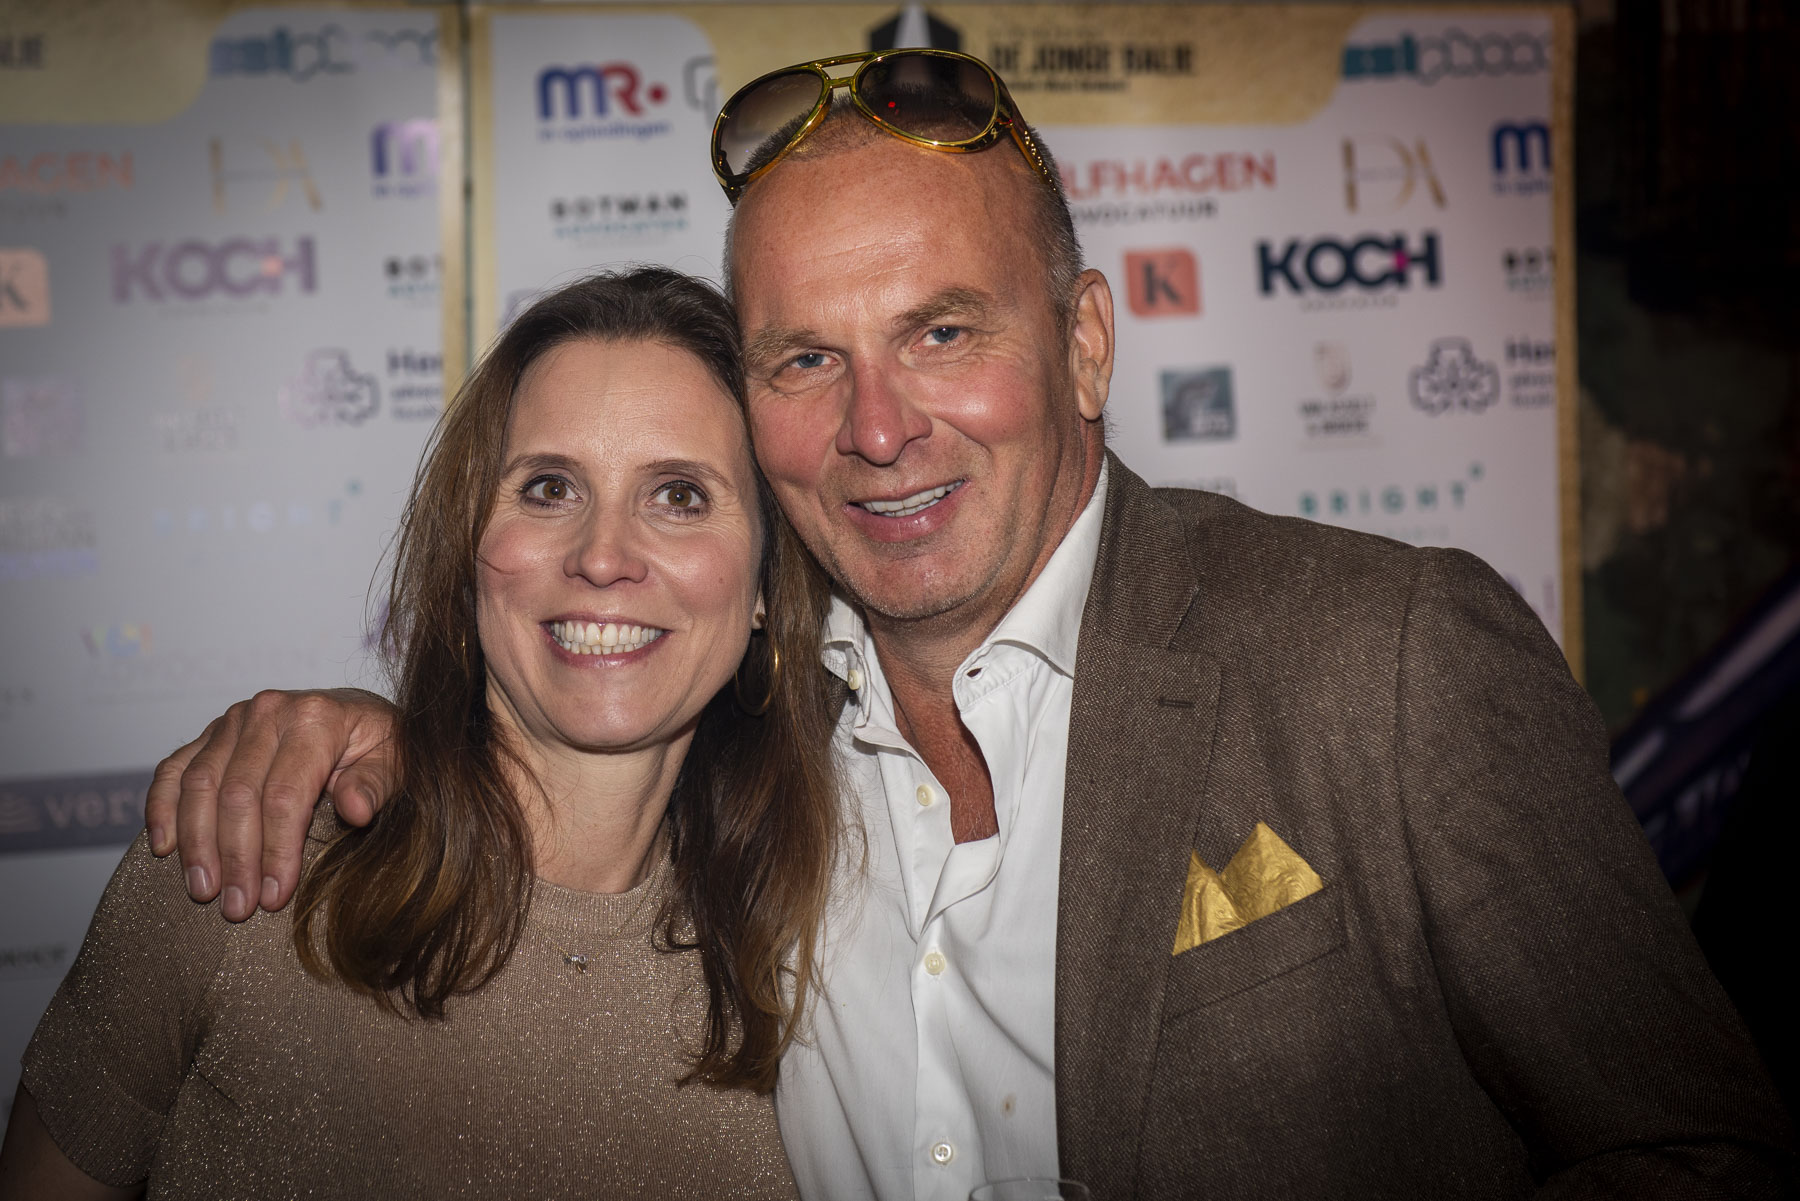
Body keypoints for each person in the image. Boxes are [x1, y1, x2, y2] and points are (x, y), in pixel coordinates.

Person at [136, 49, 1795, 1201]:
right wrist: (364, 737)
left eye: (942, 331)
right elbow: (553, 749)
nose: (878, 426)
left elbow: (1701, 1152)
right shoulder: (736, 725)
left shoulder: (1390, 652)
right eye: (805, 358)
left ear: (1085, 345)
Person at [0, 268, 841, 1199]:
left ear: (766, 585)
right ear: (471, 548)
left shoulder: (821, 985)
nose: (603, 556)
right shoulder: (248, 867)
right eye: (549, 487)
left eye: (679, 495)